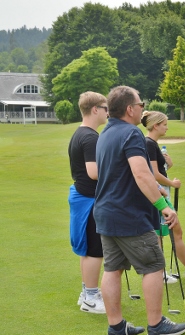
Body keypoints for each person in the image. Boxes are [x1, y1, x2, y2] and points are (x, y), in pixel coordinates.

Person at [95, 86, 185, 335]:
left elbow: (121, 172)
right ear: (129, 109)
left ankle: (116, 327)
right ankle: (156, 325)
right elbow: (140, 173)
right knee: (153, 265)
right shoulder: (131, 133)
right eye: (140, 104)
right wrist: (163, 206)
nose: (142, 108)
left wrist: (155, 186)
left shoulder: (105, 133)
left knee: (113, 268)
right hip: (129, 214)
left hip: (106, 212)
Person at [142, 111, 185, 279]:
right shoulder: (149, 144)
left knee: (169, 233)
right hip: (158, 195)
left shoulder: (152, 144)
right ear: (155, 126)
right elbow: (153, 174)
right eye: (164, 124)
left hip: (159, 193)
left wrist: (168, 165)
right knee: (166, 233)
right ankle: (172, 272)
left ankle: (180, 270)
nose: (167, 128)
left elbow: (158, 170)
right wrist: (172, 183)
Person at [68, 91, 108, 314]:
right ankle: (91, 298)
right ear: (95, 110)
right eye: (105, 108)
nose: (107, 113)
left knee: (88, 250)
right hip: (89, 200)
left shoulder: (80, 133)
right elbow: (94, 172)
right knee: (95, 250)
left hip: (83, 197)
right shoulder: (91, 137)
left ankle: (87, 292)